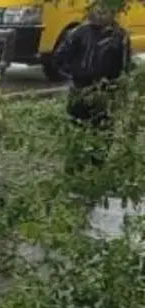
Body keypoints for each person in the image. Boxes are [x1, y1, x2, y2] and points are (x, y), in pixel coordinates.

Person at [53, 4, 133, 182]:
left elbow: (126, 68)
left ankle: (96, 175)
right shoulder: (78, 33)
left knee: (102, 135)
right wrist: (77, 75)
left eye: (106, 9)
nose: (101, 13)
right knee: (77, 133)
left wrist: (118, 91)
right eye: (97, 8)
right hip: (80, 91)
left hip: (105, 94)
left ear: (114, 12)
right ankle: (73, 175)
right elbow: (59, 59)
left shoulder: (120, 37)